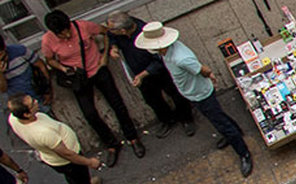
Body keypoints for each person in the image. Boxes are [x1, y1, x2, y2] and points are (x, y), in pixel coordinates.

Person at [134, 22, 252, 177]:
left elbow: (202, 69)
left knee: (219, 121)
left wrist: (209, 75)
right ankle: (235, 132)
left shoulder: (180, 58)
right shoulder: (168, 52)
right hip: (192, 92)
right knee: (217, 116)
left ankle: (243, 152)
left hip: (201, 93)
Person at [41, 10, 144, 164]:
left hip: (98, 70)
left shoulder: (83, 26)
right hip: (78, 78)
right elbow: (49, 60)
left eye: (68, 31)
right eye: (62, 34)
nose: (67, 35)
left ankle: (132, 138)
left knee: (117, 104)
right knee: (89, 114)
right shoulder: (48, 40)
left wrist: (104, 57)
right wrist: (63, 68)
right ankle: (111, 144)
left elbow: (105, 33)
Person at [8, 94, 105, 184]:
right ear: (26, 114)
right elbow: (67, 154)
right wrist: (90, 162)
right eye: (33, 103)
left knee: (76, 180)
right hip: (68, 162)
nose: (36, 101)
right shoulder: (43, 133)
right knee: (80, 183)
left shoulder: (13, 118)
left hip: (55, 159)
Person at [104, 14, 193, 138]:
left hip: (158, 71)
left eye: (113, 30)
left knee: (175, 93)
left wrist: (142, 75)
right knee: (152, 99)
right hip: (140, 73)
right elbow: (111, 35)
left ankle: (186, 119)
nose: (110, 31)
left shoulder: (146, 33)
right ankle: (167, 120)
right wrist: (113, 48)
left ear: (123, 31)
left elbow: (158, 60)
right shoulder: (117, 32)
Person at [0, 42, 51, 110]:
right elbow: (3, 89)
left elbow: (41, 66)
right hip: (20, 102)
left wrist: (48, 90)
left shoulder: (20, 50)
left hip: (37, 91)